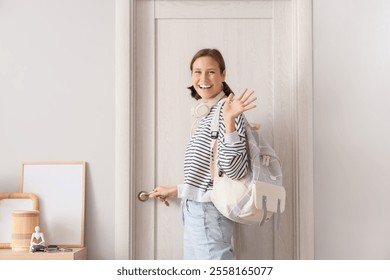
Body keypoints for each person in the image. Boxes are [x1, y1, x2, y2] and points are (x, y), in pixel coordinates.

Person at [149, 48, 256, 260]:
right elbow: (211, 175)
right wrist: (176, 190)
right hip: (195, 211)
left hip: (208, 213)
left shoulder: (228, 112)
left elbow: (235, 171)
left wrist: (230, 121)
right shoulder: (208, 115)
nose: (203, 78)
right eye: (197, 72)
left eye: (211, 72)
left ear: (223, 75)